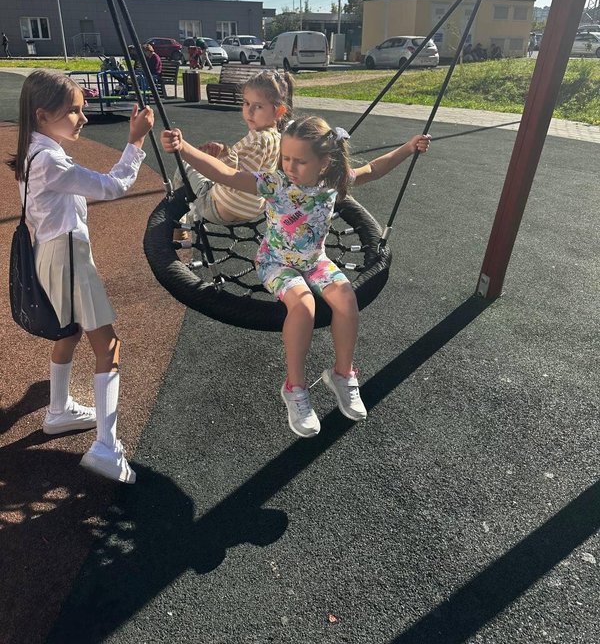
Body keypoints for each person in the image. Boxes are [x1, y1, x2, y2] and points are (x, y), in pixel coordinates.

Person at [161, 115, 431, 438]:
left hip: (316, 261)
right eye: (286, 158)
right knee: (304, 306)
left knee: (347, 299)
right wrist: (184, 148)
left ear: (324, 162)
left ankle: (342, 373)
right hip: (276, 262)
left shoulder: (333, 181)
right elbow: (227, 174)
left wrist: (407, 148)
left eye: (299, 161)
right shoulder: (275, 183)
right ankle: (295, 387)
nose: (289, 166)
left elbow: (373, 169)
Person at [7, 69, 154, 482]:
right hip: (68, 255)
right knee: (109, 346)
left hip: (48, 253)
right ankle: (106, 446)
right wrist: (136, 141)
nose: (83, 118)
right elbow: (112, 186)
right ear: (42, 115)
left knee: (68, 332)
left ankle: (58, 411)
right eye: (73, 111)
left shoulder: (32, 152)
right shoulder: (50, 160)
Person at [173, 69, 293, 226]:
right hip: (252, 211)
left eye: (258, 106)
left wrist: (223, 156)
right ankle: (190, 216)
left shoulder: (259, 140)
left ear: (279, 111)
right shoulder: (280, 138)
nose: (249, 111)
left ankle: (179, 215)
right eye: (246, 103)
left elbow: (235, 179)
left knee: (185, 166)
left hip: (219, 208)